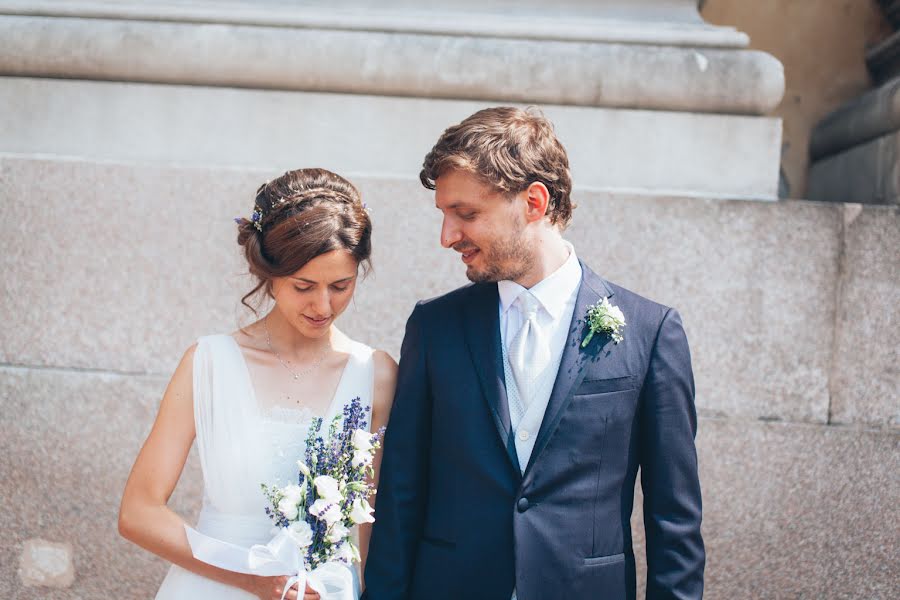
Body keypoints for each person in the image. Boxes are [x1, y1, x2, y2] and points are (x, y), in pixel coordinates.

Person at [363, 107, 705, 600]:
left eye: (466, 214)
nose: (447, 237)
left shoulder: (652, 334)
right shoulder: (434, 328)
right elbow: (401, 495)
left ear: (534, 202)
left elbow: (675, 521)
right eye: (444, 215)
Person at [119, 168, 398, 600]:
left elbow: (369, 527)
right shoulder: (208, 362)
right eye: (304, 286)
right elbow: (138, 512)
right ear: (267, 272)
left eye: (340, 286)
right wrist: (252, 579)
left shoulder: (374, 373)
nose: (323, 305)